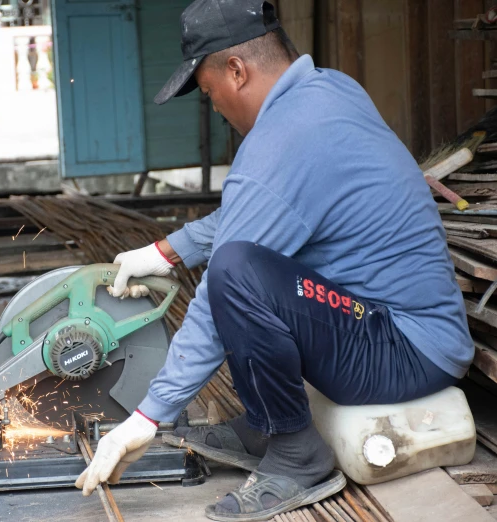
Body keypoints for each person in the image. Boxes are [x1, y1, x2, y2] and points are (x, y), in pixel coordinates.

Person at [74, 0, 475, 520]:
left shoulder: (284, 140)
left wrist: (148, 416)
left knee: (237, 274)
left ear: (237, 71)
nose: (215, 108)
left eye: (210, 92)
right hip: (402, 328)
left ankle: (297, 453)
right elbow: (268, 208)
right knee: (243, 264)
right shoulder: (328, 90)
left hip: (407, 352)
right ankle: (266, 425)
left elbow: (229, 274)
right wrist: (166, 251)